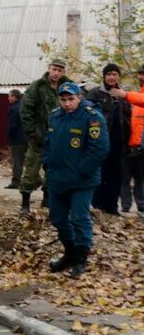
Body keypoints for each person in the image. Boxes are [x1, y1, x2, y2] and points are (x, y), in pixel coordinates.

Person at [42, 82, 109, 278]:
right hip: (57, 178)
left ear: (79, 97)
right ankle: (70, 253)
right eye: (63, 100)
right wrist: (47, 164)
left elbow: (100, 148)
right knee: (58, 218)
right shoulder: (55, 116)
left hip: (82, 180)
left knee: (80, 218)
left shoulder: (92, 117)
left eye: (71, 99)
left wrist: (82, 170)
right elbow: (48, 144)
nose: (67, 103)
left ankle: (80, 259)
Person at [19, 59, 70, 213]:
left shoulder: (67, 87)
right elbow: (26, 110)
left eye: (60, 70)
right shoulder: (37, 86)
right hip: (39, 138)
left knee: (53, 172)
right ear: (49, 69)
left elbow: (73, 108)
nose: (56, 73)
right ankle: (25, 204)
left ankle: (47, 201)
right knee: (31, 170)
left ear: (64, 72)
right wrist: (32, 133)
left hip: (58, 139)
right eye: (54, 69)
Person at [85, 64, 130, 215]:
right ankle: (98, 205)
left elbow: (129, 118)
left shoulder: (123, 95)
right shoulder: (94, 94)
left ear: (118, 76)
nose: (112, 77)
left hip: (119, 142)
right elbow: (87, 117)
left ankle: (112, 206)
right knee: (100, 173)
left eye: (115, 74)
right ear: (103, 76)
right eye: (109, 74)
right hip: (100, 142)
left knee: (116, 175)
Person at [120, 67, 144, 216]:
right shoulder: (133, 100)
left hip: (140, 146)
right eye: (140, 74)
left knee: (140, 178)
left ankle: (141, 205)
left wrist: (126, 94)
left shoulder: (135, 97)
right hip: (128, 145)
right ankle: (125, 205)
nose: (141, 77)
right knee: (125, 178)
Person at [6, 89, 27, 189]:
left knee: (17, 161)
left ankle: (16, 182)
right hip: (26, 138)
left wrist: (9, 137)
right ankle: (36, 179)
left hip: (17, 139)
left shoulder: (14, 108)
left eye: (10, 96)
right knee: (28, 161)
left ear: (15, 97)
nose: (8, 98)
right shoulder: (24, 106)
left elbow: (12, 125)